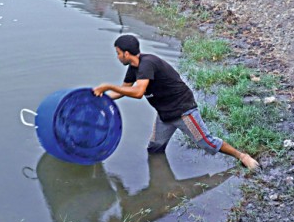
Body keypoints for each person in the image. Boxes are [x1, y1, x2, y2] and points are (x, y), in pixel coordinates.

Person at [93, 34, 260, 171]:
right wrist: (101, 98)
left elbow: (137, 93)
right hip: (165, 113)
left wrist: (107, 85)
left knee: (207, 143)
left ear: (126, 53)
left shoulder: (147, 64)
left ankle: (242, 156)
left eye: (118, 52)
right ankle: (161, 181)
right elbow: (124, 89)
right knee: (155, 148)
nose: (117, 56)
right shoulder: (134, 68)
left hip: (183, 110)